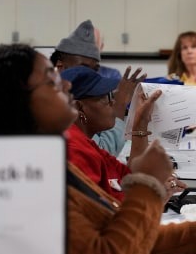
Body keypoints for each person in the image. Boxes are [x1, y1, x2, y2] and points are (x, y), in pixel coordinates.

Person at [0, 43, 196, 254]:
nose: (65, 86)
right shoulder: (20, 184)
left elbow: (119, 236)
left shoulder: (45, 165)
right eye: (51, 80)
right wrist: (147, 186)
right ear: (17, 101)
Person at [61, 66, 182, 202]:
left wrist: (141, 122)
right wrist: (152, 196)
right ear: (79, 107)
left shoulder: (84, 142)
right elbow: (104, 213)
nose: (113, 102)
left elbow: (128, 177)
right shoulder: (76, 151)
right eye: (104, 98)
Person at [51, 19, 146, 156]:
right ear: (60, 66)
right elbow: (101, 152)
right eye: (83, 67)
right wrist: (120, 104)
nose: (90, 75)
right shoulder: (56, 105)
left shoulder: (85, 94)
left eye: (95, 69)